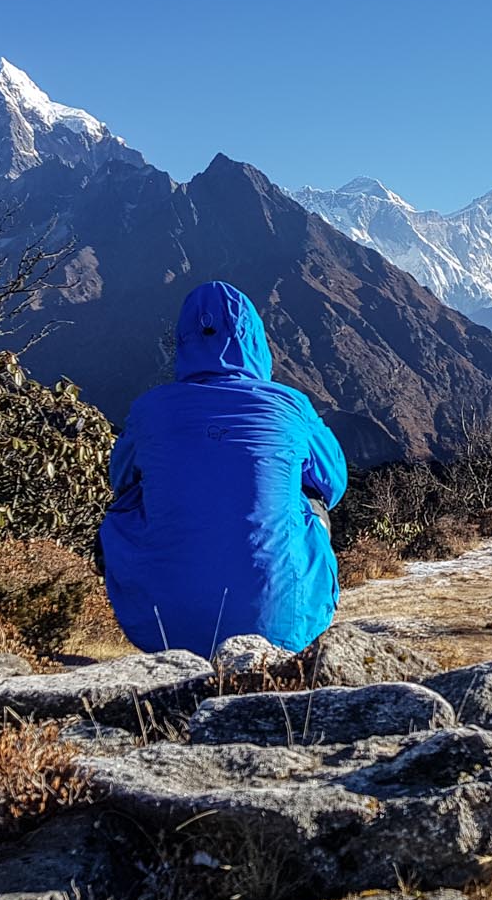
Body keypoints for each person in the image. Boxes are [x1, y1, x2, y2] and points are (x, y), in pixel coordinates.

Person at [99, 280, 348, 657]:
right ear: (256, 340)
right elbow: (333, 482)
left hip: (163, 628)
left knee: (132, 500)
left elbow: (120, 481)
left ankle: (154, 593)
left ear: (182, 342)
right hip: (280, 625)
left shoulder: (149, 410)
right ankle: (295, 595)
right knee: (310, 501)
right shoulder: (290, 406)